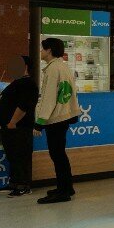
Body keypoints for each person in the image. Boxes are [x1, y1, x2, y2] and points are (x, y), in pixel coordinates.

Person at [33, 38, 81, 204]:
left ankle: (63, 192)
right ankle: (66, 187)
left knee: (57, 155)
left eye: (42, 49)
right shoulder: (62, 66)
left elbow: (49, 98)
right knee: (60, 154)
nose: (41, 52)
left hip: (56, 118)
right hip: (64, 116)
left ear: (49, 50)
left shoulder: (53, 69)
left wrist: (39, 122)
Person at [0, 56, 38, 197]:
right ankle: (14, 182)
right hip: (9, 127)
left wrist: (13, 122)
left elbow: (24, 106)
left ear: (25, 67)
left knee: (21, 156)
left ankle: (23, 185)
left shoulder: (29, 84)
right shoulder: (17, 82)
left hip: (19, 127)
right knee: (12, 156)